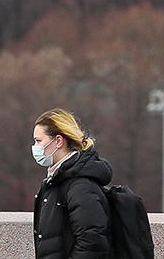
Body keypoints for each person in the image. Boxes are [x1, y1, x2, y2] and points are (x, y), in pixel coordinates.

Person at [32, 108, 112, 259]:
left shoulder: (80, 186)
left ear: (58, 141)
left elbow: (92, 244)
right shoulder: (54, 182)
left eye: (38, 141)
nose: (35, 147)